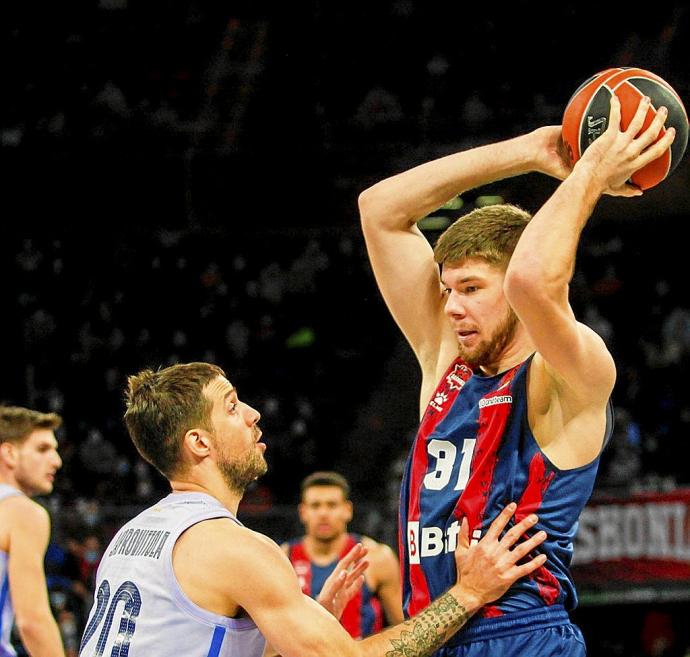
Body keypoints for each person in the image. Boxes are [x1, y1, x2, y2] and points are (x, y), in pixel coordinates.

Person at [358, 95, 675, 656]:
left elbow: (533, 280)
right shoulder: (445, 359)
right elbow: (379, 207)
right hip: (433, 630)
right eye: (447, 290)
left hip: (519, 636)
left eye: (473, 289)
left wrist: (590, 173)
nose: (451, 307)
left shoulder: (569, 372)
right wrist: (531, 150)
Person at [79, 361, 547, 656]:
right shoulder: (233, 548)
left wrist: (290, 631)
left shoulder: (129, 536)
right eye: (231, 406)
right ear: (199, 442)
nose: (252, 414)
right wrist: (468, 593)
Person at [282, 471, 404, 638]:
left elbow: (403, 626)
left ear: (347, 510)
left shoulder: (378, 558)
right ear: (303, 512)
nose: (323, 513)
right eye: (315, 505)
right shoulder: (282, 559)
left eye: (331, 505)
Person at [0, 405, 66, 657]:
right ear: (9, 453)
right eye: (42, 449)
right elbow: (32, 621)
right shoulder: (22, 513)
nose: (56, 461)